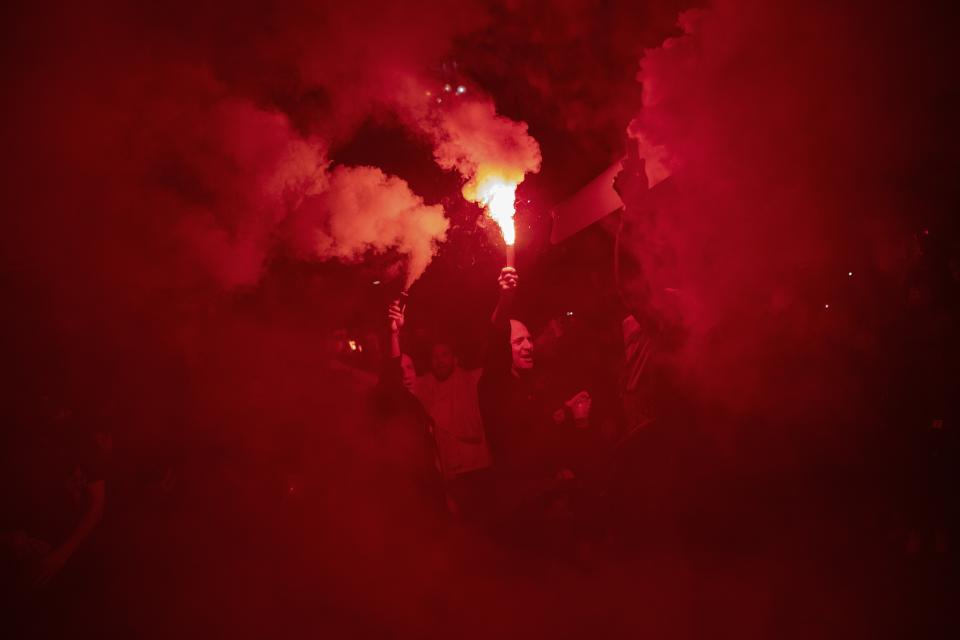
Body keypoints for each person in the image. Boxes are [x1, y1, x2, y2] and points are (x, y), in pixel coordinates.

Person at [477, 267, 605, 554]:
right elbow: (496, 342)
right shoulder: (494, 385)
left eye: (529, 339)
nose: (528, 346)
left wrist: (567, 412)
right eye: (518, 341)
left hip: (547, 500)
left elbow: (536, 428)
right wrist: (506, 299)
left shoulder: (532, 385)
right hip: (520, 507)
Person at [384, 302, 492, 518]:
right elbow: (392, 378)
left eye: (445, 354)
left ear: (455, 358)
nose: (440, 360)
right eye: (435, 356)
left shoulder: (473, 380)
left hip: (479, 472)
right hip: (449, 479)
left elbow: (495, 359)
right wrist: (395, 334)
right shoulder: (423, 386)